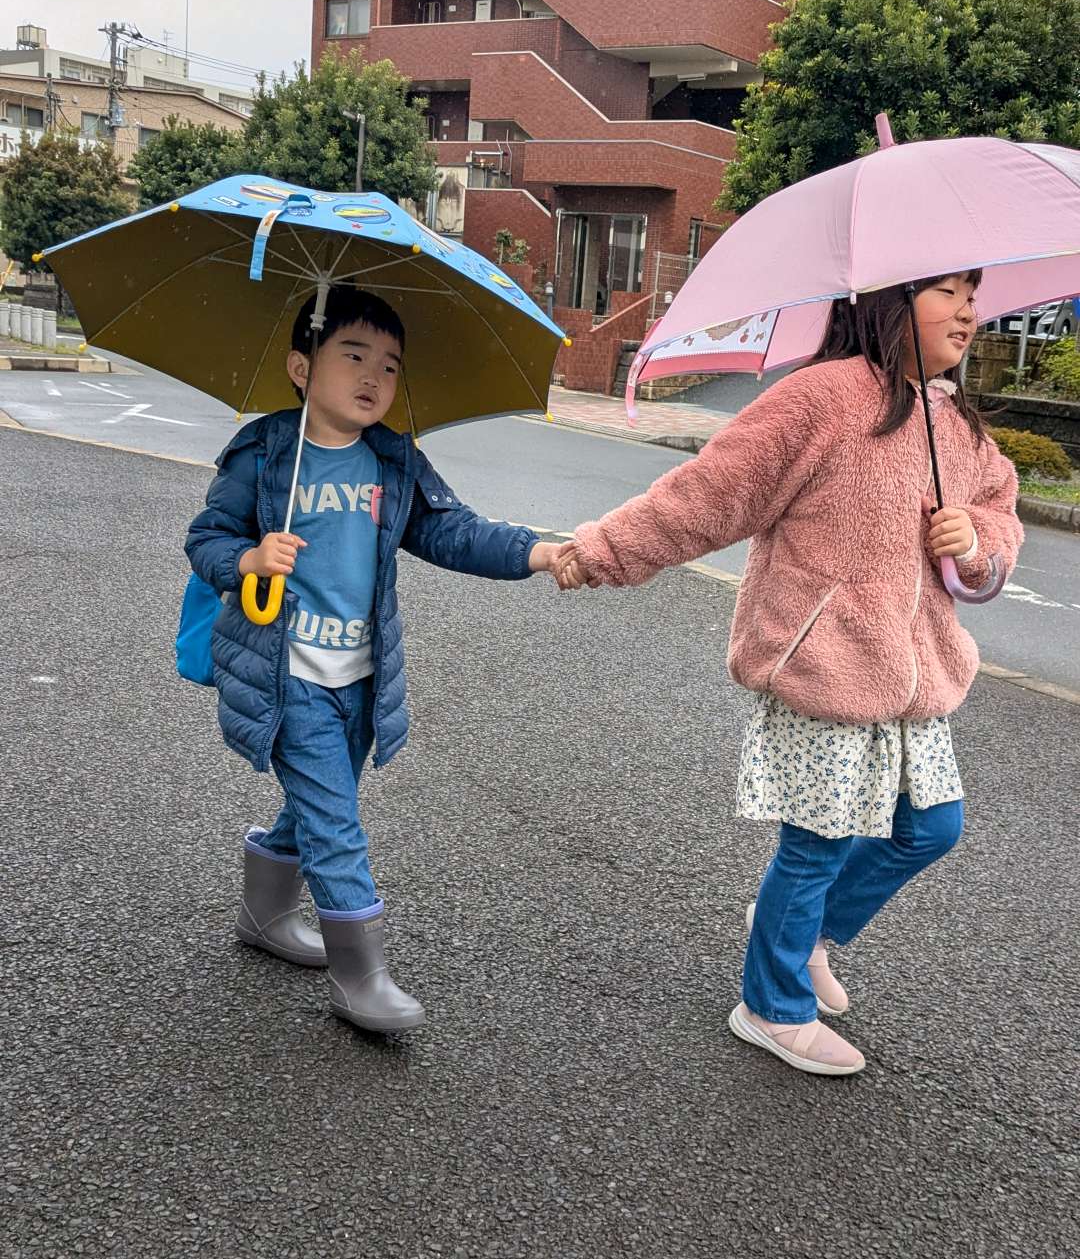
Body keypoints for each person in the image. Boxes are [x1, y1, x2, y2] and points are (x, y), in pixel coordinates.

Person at [553, 273, 1023, 1077]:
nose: (969, 311)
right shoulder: (822, 400)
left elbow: (1001, 519)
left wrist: (975, 540)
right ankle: (771, 1006)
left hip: (917, 677)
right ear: (888, 301)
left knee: (933, 827)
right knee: (817, 843)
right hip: (826, 663)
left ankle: (804, 934)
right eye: (946, 292)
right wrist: (602, 550)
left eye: (972, 293)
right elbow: (708, 495)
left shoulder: (956, 425)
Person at [186, 283, 562, 1036]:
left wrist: (537, 552)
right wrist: (250, 557)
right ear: (301, 367)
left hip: (360, 673)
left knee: (324, 797)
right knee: (336, 821)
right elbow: (207, 538)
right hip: (287, 672)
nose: (373, 377)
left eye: (390, 366)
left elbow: (452, 531)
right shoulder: (266, 452)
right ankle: (362, 976)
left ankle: (263, 913)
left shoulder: (393, 461)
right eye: (353, 356)